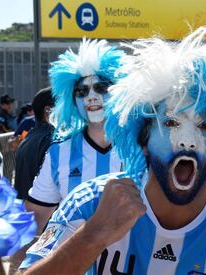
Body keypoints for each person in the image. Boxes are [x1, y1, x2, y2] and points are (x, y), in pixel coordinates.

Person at [19, 26, 206, 275]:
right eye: (170, 122)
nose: (188, 141)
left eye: (204, 126)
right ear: (143, 141)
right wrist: (93, 235)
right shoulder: (91, 203)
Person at [24, 39, 125, 234]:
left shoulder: (142, 148)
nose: (91, 97)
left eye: (101, 88)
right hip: (75, 263)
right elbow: (35, 219)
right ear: (73, 101)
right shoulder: (58, 153)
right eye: (82, 91)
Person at [14, 87, 55, 200]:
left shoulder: (31, 136)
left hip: (30, 212)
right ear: (49, 111)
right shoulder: (53, 141)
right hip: (43, 214)